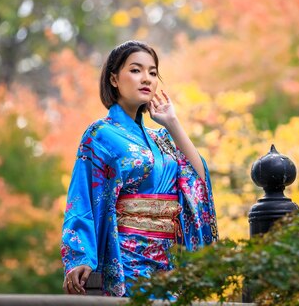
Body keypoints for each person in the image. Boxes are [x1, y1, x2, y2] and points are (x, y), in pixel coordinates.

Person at [60, 40, 218, 297]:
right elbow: (82, 198)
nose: (146, 78)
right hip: (127, 260)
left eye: (153, 73)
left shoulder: (162, 139)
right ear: (114, 79)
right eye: (136, 70)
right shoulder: (100, 134)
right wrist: (79, 256)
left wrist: (173, 123)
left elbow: (198, 182)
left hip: (168, 263)